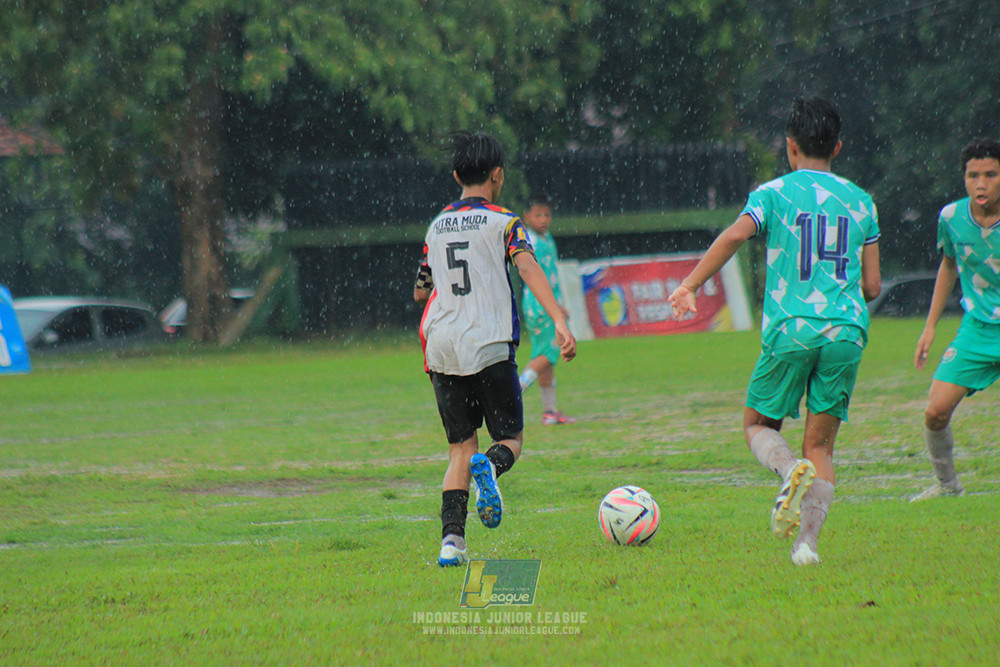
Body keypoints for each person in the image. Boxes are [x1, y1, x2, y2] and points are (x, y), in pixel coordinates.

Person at [668, 98, 881, 566]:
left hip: (791, 330)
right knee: (821, 446)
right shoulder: (861, 201)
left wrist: (690, 285)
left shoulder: (773, 193)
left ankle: (788, 470)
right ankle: (806, 546)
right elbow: (872, 286)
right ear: (837, 147)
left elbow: (734, 236)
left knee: (757, 425)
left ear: (790, 146)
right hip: (845, 332)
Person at [414, 132, 577, 567]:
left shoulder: (437, 226)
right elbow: (527, 265)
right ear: (498, 175)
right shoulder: (505, 221)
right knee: (509, 438)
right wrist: (559, 319)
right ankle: (492, 465)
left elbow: (421, 289)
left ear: (456, 176)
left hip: (443, 347)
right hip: (488, 342)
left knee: (459, 448)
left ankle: (451, 543)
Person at [911, 138, 1000, 501]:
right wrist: (930, 326)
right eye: (973, 175)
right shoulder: (951, 218)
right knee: (935, 411)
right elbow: (948, 265)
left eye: (991, 175)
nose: (981, 184)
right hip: (977, 329)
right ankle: (947, 486)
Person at [518, 193, 576, 425]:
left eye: (547, 215)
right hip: (540, 305)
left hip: (542, 304)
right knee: (549, 354)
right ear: (526, 217)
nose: (543, 219)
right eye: (538, 215)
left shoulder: (547, 238)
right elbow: (536, 276)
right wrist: (555, 306)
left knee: (545, 357)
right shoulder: (531, 242)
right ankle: (514, 391)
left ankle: (550, 412)